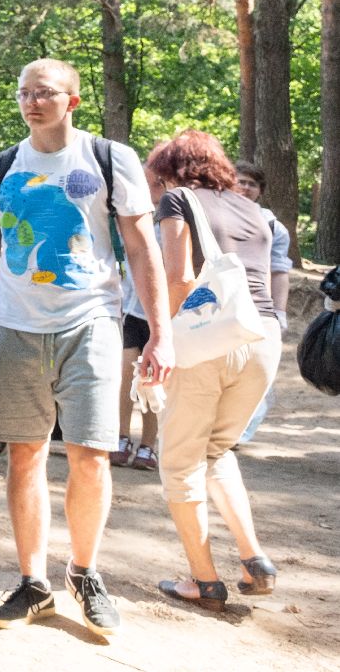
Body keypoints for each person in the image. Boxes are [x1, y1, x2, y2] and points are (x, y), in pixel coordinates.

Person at [0, 58, 172, 640]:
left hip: (90, 321)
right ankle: (33, 582)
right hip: (15, 327)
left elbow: (143, 250)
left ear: (72, 100)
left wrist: (161, 332)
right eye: (24, 93)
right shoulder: (2, 165)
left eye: (44, 93)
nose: (31, 102)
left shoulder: (109, 159)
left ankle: (86, 574)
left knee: (92, 454)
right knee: (25, 456)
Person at [149, 132, 281, 610]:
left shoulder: (177, 200)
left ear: (172, 169)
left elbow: (180, 277)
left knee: (181, 460)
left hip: (209, 337)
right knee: (218, 450)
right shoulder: (253, 209)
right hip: (263, 336)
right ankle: (254, 557)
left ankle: (203, 580)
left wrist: (160, 338)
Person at [232, 159, 292, 444]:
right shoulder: (210, 214)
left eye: (251, 183)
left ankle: (240, 432)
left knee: (257, 371)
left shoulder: (273, 226)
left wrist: (279, 312)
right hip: (220, 306)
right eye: (239, 180)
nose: (244, 187)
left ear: (260, 191)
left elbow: (280, 271)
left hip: (258, 308)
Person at [112, 164, 165, 471]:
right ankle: (120, 437)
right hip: (130, 307)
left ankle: (148, 445)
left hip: (160, 312)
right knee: (124, 377)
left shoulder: (174, 213)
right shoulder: (130, 212)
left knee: (152, 380)